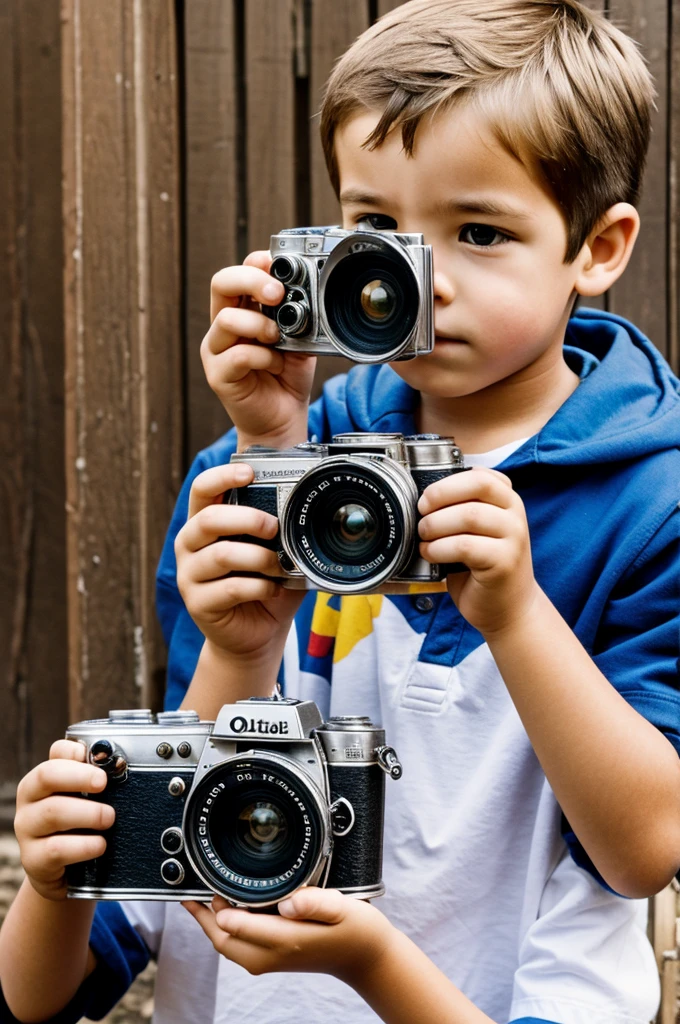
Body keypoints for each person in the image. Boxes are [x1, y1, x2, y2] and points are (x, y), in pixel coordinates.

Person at [1, 1, 679, 1022]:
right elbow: (55, 985)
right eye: (372, 230)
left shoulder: (648, 505)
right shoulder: (261, 473)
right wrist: (267, 443)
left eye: (478, 231)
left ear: (597, 246)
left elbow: (642, 850)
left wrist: (515, 612)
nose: (408, 282)